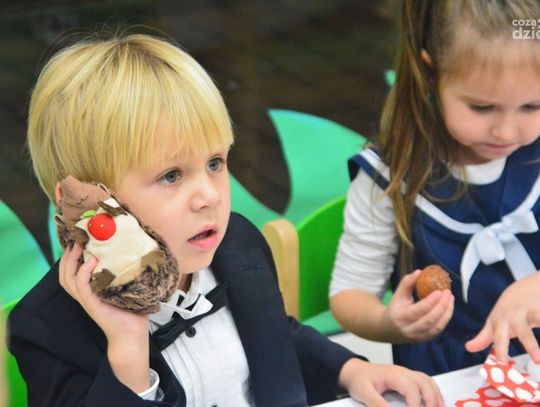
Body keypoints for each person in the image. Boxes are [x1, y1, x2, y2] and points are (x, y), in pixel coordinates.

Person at [6, 33, 443, 407]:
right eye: (171, 175)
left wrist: (350, 370)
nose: (211, 196)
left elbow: (276, 339)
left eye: (215, 163)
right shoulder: (46, 329)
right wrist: (128, 353)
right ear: (87, 204)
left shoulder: (237, 245)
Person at [330, 0, 540, 376]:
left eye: (532, 106)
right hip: (447, 381)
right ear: (431, 73)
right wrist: (390, 324)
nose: (507, 131)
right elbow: (350, 294)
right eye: (481, 107)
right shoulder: (390, 177)